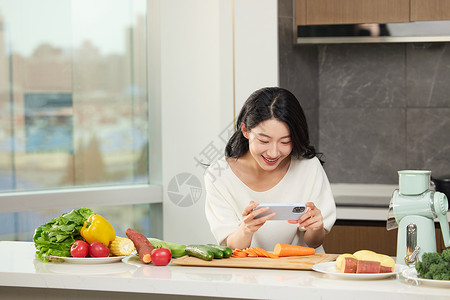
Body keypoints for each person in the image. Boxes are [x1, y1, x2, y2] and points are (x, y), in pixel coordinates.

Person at [204, 87, 336, 253]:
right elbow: (232, 245)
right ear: (245, 130)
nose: (273, 153)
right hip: (248, 275)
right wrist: (246, 229)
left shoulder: (308, 167)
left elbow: (313, 243)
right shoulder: (219, 176)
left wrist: (315, 227)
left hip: (302, 273)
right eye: (264, 141)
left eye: (285, 142)